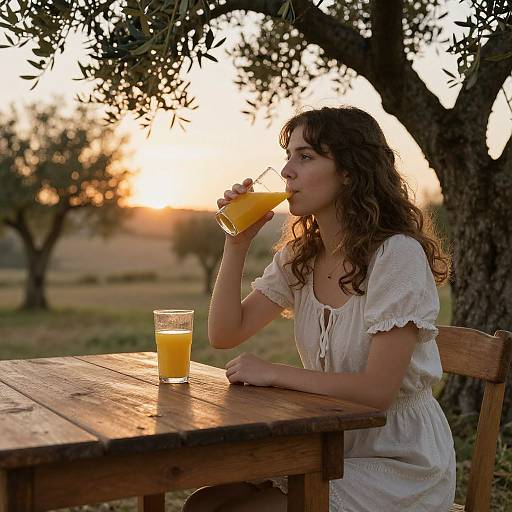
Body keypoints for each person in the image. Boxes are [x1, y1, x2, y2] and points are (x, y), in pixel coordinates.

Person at [182, 106, 456, 512]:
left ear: (349, 171)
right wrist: (235, 244)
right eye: (288, 156)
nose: (287, 170)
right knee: (202, 505)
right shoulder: (303, 255)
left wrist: (274, 373)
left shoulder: (396, 256)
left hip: (398, 460)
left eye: (305, 156)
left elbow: (377, 392)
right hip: (331, 442)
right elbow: (224, 334)